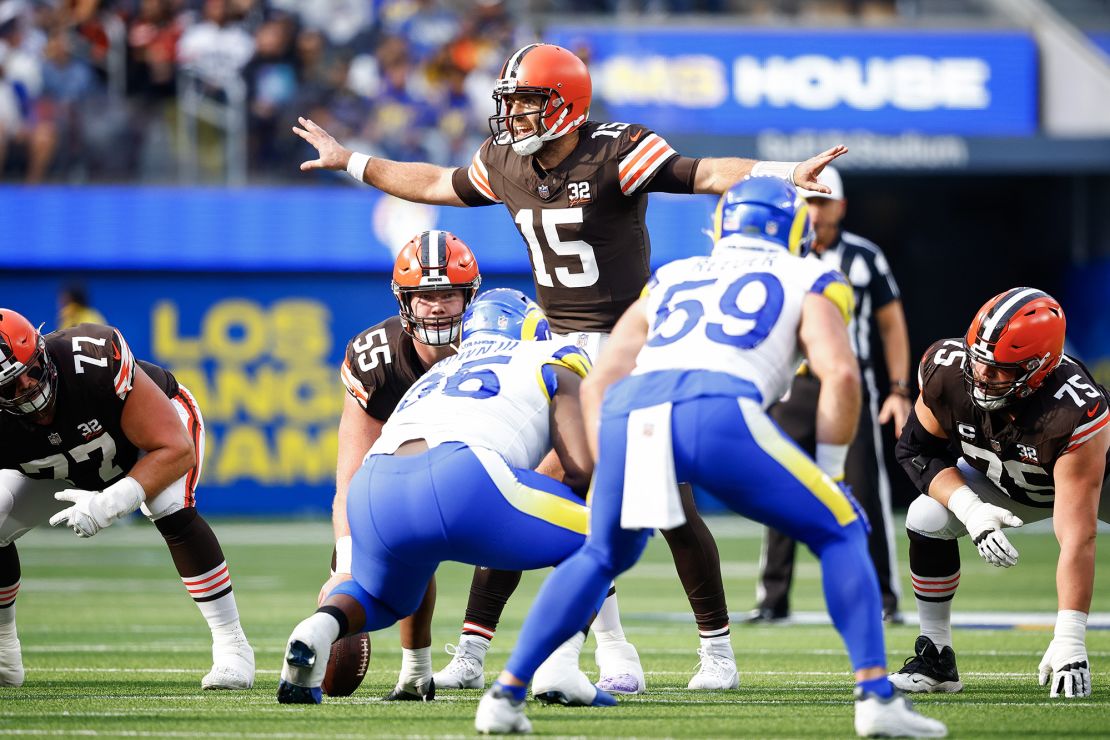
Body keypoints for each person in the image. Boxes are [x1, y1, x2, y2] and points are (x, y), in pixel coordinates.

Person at [294, 41, 846, 691]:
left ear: (566, 105)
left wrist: (782, 172)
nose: (515, 118)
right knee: (536, 490)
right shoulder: (506, 161)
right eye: (511, 104)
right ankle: (517, 653)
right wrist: (352, 162)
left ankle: (704, 653)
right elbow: (435, 183)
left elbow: (702, 172)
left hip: (628, 347)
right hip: (560, 346)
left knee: (665, 506)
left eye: (527, 103)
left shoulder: (614, 149)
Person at [473, 177, 947, 738]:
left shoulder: (673, 276)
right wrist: (831, 469)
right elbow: (840, 374)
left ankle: (504, 696)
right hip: (716, 404)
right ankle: (875, 698)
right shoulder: (812, 274)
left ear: (722, 227)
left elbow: (604, 376)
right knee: (842, 527)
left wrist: (609, 457)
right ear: (796, 228)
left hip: (632, 411)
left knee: (600, 555)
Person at [321, 230, 633, 703]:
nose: (437, 307)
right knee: (594, 525)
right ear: (404, 301)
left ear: (473, 300)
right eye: (424, 296)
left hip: (393, 486)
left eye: (448, 294)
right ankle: (558, 663)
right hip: (443, 473)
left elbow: (353, 483)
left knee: (416, 560)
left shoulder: (479, 358)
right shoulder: (540, 353)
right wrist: (345, 563)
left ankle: (601, 647)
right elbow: (347, 472)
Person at [0, 309, 254, 689]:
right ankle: (4, 653)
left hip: (143, 440)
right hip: (60, 465)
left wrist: (110, 502)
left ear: (42, 352)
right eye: (10, 388)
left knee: (168, 505)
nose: (28, 392)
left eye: (31, 373)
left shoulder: (90, 361)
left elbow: (175, 449)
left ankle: (233, 647)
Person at [889, 288, 1108, 700]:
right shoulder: (948, 370)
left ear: (1039, 369)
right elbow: (916, 450)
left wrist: (1070, 639)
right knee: (926, 517)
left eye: (1001, 370)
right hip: (1008, 478)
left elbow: (1077, 535)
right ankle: (936, 658)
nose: (982, 376)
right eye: (979, 360)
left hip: (1093, 481)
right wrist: (971, 510)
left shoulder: (1071, 410)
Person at [749, 165, 910, 624]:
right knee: (778, 487)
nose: (815, 212)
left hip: (849, 380)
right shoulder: (780, 255)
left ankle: (882, 596)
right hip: (792, 382)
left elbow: (890, 323)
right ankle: (772, 598)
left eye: (823, 202)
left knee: (863, 489)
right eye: (809, 203)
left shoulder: (863, 256)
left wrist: (898, 388)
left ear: (839, 206)